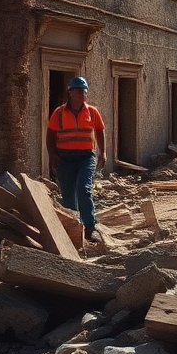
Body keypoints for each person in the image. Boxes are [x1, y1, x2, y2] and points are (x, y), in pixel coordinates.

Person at [46, 76, 107, 241]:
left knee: (84, 189)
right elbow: (50, 134)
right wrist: (52, 155)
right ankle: (73, 227)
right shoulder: (59, 113)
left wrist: (103, 152)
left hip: (86, 157)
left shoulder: (92, 112)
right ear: (70, 93)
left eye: (84, 91)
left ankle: (89, 227)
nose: (82, 94)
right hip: (64, 158)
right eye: (78, 91)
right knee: (68, 196)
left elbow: (100, 131)